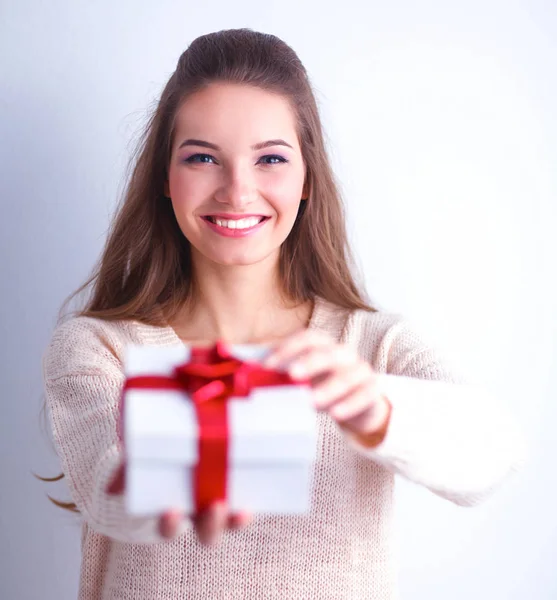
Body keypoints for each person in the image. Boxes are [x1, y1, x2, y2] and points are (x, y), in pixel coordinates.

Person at [42, 28, 526, 600]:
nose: (237, 191)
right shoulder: (99, 347)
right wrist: (161, 483)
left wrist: (378, 409)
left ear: (307, 179)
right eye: (202, 158)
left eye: (270, 158)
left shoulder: (371, 345)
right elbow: (106, 486)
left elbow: (489, 455)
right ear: (164, 181)